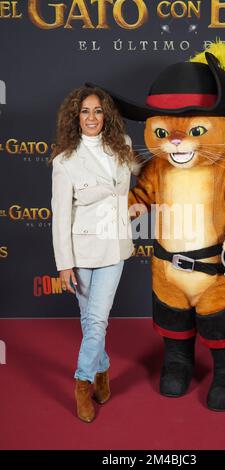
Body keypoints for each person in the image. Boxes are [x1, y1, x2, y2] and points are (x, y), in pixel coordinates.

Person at [50, 85, 138, 423]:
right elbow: (60, 217)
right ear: (76, 117)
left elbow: (140, 177)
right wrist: (64, 264)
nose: (91, 117)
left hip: (114, 246)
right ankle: (101, 370)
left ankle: (82, 383)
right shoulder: (65, 161)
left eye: (98, 111)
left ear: (107, 116)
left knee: (97, 320)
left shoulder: (124, 147)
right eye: (85, 111)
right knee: (91, 321)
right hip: (81, 250)